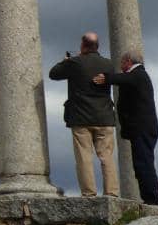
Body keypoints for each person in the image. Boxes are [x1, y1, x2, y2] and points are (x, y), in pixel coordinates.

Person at [48, 32, 118, 197]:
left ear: (83, 45)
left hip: (81, 117)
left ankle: (89, 193)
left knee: (84, 157)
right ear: (97, 46)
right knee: (107, 157)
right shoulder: (108, 64)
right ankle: (112, 192)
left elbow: (53, 74)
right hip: (105, 117)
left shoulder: (75, 62)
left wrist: (65, 61)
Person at [94, 49, 158, 206]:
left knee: (143, 163)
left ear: (128, 62)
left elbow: (124, 79)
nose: (120, 65)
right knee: (142, 163)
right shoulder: (138, 75)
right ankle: (150, 197)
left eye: (122, 62)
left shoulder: (138, 74)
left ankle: (153, 199)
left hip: (142, 128)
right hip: (143, 128)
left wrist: (106, 78)